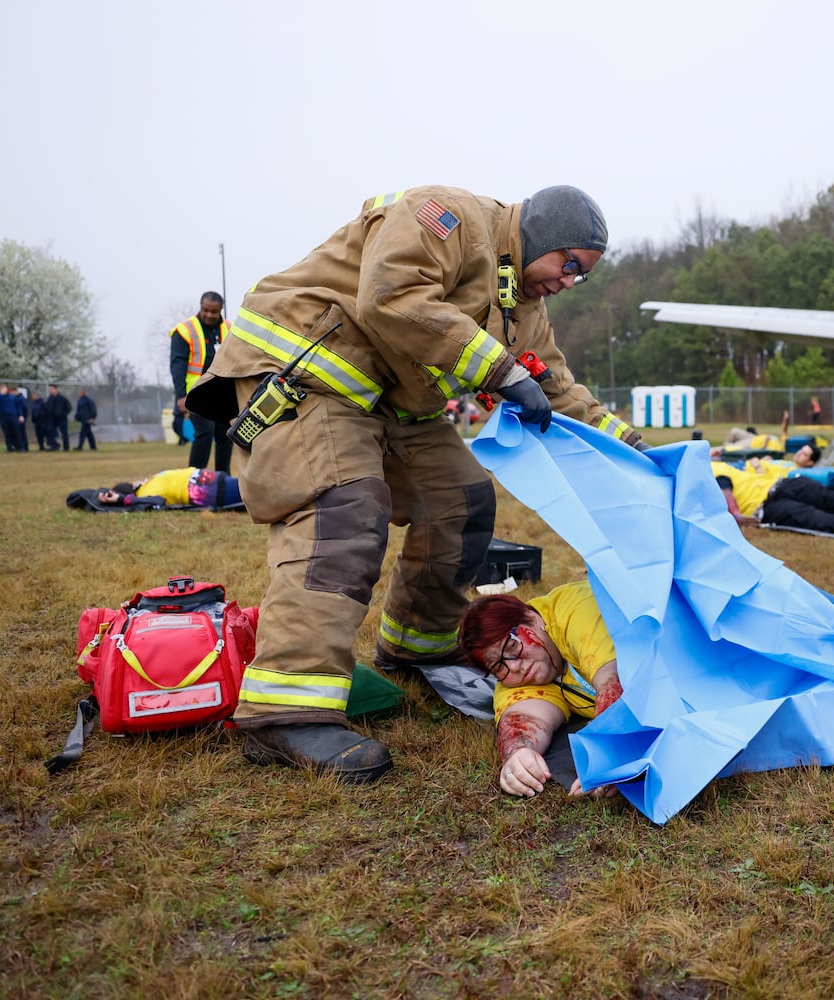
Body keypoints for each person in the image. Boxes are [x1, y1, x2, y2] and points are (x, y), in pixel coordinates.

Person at [183, 183, 643, 783]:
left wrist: (633, 447)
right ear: (543, 238)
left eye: (580, 277)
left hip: (389, 402)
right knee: (344, 509)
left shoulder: (522, 304)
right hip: (309, 373)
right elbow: (391, 296)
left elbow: (554, 385)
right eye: (570, 266)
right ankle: (283, 712)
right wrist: (499, 369)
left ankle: (417, 644)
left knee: (463, 498)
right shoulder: (448, 218)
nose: (568, 282)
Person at [459, 580, 622, 798]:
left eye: (512, 646)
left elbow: (618, 680)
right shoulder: (515, 679)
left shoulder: (576, 611)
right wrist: (518, 755)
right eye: (498, 666)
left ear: (533, 619)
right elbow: (523, 719)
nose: (515, 666)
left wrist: (609, 754)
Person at [170, 292, 233, 473]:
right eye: (206, 310)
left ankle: (223, 478)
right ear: (200, 306)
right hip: (197, 394)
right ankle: (195, 479)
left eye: (214, 311)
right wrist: (181, 395)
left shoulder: (230, 329)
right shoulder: (185, 330)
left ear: (220, 310)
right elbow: (177, 365)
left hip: (223, 394)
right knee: (204, 434)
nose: (209, 315)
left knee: (225, 436)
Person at [95, 466, 242, 508]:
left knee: (257, 494)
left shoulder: (145, 493)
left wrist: (122, 500)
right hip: (212, 478)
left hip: (211, 492)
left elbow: (158, 502)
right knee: (255, 488)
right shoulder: (151, 480)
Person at [0, 384, 25, 452]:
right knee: (7, 433)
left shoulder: (12, 397)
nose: (3, 390)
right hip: (3, 417)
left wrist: (20, 415)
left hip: (13, 416)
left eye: (4, 388)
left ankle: (20, 447)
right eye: (2, 388)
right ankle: (9, 447)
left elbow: (18, 407)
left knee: (16, 432)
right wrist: (0, 394)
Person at [44, 385, 71, 451]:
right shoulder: (50, 399)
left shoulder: (62, 398)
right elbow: (46, 407)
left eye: (51, 389)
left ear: (56, 389)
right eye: (49, 389)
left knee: (64, 433)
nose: (50, 390)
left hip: (62, 419)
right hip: (52, 419)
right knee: (49, 431)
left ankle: (66, 447)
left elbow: (69, 408)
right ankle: (54, 446)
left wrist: (63, 414)